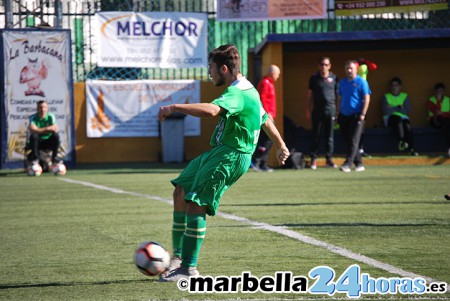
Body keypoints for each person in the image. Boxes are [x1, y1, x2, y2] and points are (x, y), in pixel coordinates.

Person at [157, 45, 290, 282]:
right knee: (181, 191)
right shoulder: (247, 88)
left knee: (196, 203)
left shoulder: (237, 93)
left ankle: (189, 269)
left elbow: (211, 110)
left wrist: (174, 107)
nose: (209, 72)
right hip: (219, 151)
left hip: (231, 156)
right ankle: (178, 258)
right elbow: (264, 119)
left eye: (211, 68)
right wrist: (281, 145)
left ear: (224, 68)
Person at [337, 60, 371, 172]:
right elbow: (340, 98)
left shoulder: (361, 82)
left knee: (354, 140)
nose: (349, 70)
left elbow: (367, 98)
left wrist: (363, 114)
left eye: (351, 68)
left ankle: (348, 163)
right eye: (347, 68)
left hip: (357, 115)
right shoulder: (342, 82)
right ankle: (359, 163)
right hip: (344, 115)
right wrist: (338, 112)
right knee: (348, 140)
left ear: (356, 69)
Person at [306, 56, 338, 170]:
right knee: (316, 135)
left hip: (330, 110)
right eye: (321, 64)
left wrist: (337, 110)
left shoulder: (334, 78)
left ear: (329, 66)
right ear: (318, 65)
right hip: (317, 111)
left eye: (326, 65)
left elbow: (337, 95)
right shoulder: (314, 78)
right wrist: (308, 110)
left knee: (330, 136)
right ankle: (313, 159)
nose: (323, 67)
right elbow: (309, 95)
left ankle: (329, 159)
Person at [251, 64, 280, 172]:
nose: (278, 76)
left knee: (269, 139)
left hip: (269, 115)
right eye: (278, 74)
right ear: (272, 73)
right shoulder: (265, 83)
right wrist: (267, 114)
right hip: (266, 116)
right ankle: (256, 160)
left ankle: (263, 163)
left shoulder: (269, 83)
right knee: (267, 139)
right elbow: (261, 98)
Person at [382, 77, 418, 156]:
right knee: (398, 120)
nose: (394, 87)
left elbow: (408, 111)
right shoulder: (386, 97)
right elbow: (385, 111)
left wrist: (392, 107)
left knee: (407, 125)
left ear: (400, 87)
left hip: (403, 118)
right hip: (390, 118)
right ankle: (402, 141)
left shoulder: (404, 96)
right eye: (392, 85)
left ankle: (411, 149)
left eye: (396, 85)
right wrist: (399, 107)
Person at [28, 100, 60, 167]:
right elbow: (32, 129)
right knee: (34, 136)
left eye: (44, 107)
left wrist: (38, 129)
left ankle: (54, 159)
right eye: (40, 107)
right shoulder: (33, 117)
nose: (42, 109)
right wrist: (47, 129)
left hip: (48, 141)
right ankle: (35, 159)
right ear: (37, 109)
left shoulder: (51, 116)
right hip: (38, 142)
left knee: (56, 136)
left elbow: (55, 129)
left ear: (47, 108)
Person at [357, 58, 378, 158]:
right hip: (356, 95)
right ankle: (356, 149)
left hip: (363, 95)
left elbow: (374, 66)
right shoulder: (355, 66)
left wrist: (364, 60)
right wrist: (358, 62)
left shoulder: (365, 65)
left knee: (362, 126)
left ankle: (360, 149)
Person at [427, 82, 450, 157]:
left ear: (444, 91)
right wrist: (438, 100)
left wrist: (443, 113)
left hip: (446, 121)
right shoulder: (431, 100)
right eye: (438, 91)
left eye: (441, 91)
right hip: (435, 121)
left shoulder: (448, 100)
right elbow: (436, 112)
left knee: (447, 126)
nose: (439, 93)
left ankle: (449, 149)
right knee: (442, 120)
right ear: (435, 92)